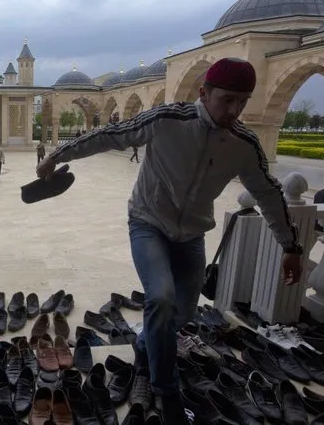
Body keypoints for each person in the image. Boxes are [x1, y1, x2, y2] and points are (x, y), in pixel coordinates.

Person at [36, 57, 303, 424]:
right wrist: (58, 155)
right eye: (227, 99)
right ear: (203, 92)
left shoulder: (242, 143)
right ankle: (166, 389)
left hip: (191, 235)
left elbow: (269, 193)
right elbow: (109, 135)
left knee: (183, 311)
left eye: (242, 101)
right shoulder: (167, 120)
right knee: (160, 297)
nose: (235, 109)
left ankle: (146, 345)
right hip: (148, 223)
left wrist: (290, 247)